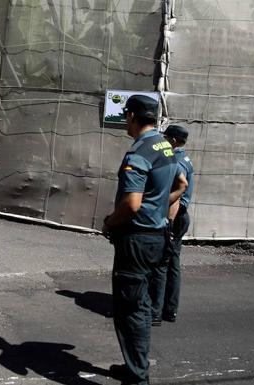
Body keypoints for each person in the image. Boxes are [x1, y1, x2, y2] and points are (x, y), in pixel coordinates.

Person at [102, 95, 187, 385]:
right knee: (140, 304)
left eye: (126, 114)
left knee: (130, 309)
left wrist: (109, 223)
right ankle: (134, 367)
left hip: (136, 239)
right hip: (157, 236)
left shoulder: (138, 152)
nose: (125, 119)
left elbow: (131, 204)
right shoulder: (164, 146)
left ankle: (138, 376)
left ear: (132, 116)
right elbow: (180, 184)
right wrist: (160, 207)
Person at [150, 125, 194, 326]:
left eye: (166, 137)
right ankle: (169, 310)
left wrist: (168, 222)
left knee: (163, 263)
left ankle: (156, 311)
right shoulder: (183, 158)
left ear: (174, 141)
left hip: (174, 217)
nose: (163, 139)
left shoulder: (176, 161)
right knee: (172, 262)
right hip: (179, 217)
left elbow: (178, 189)